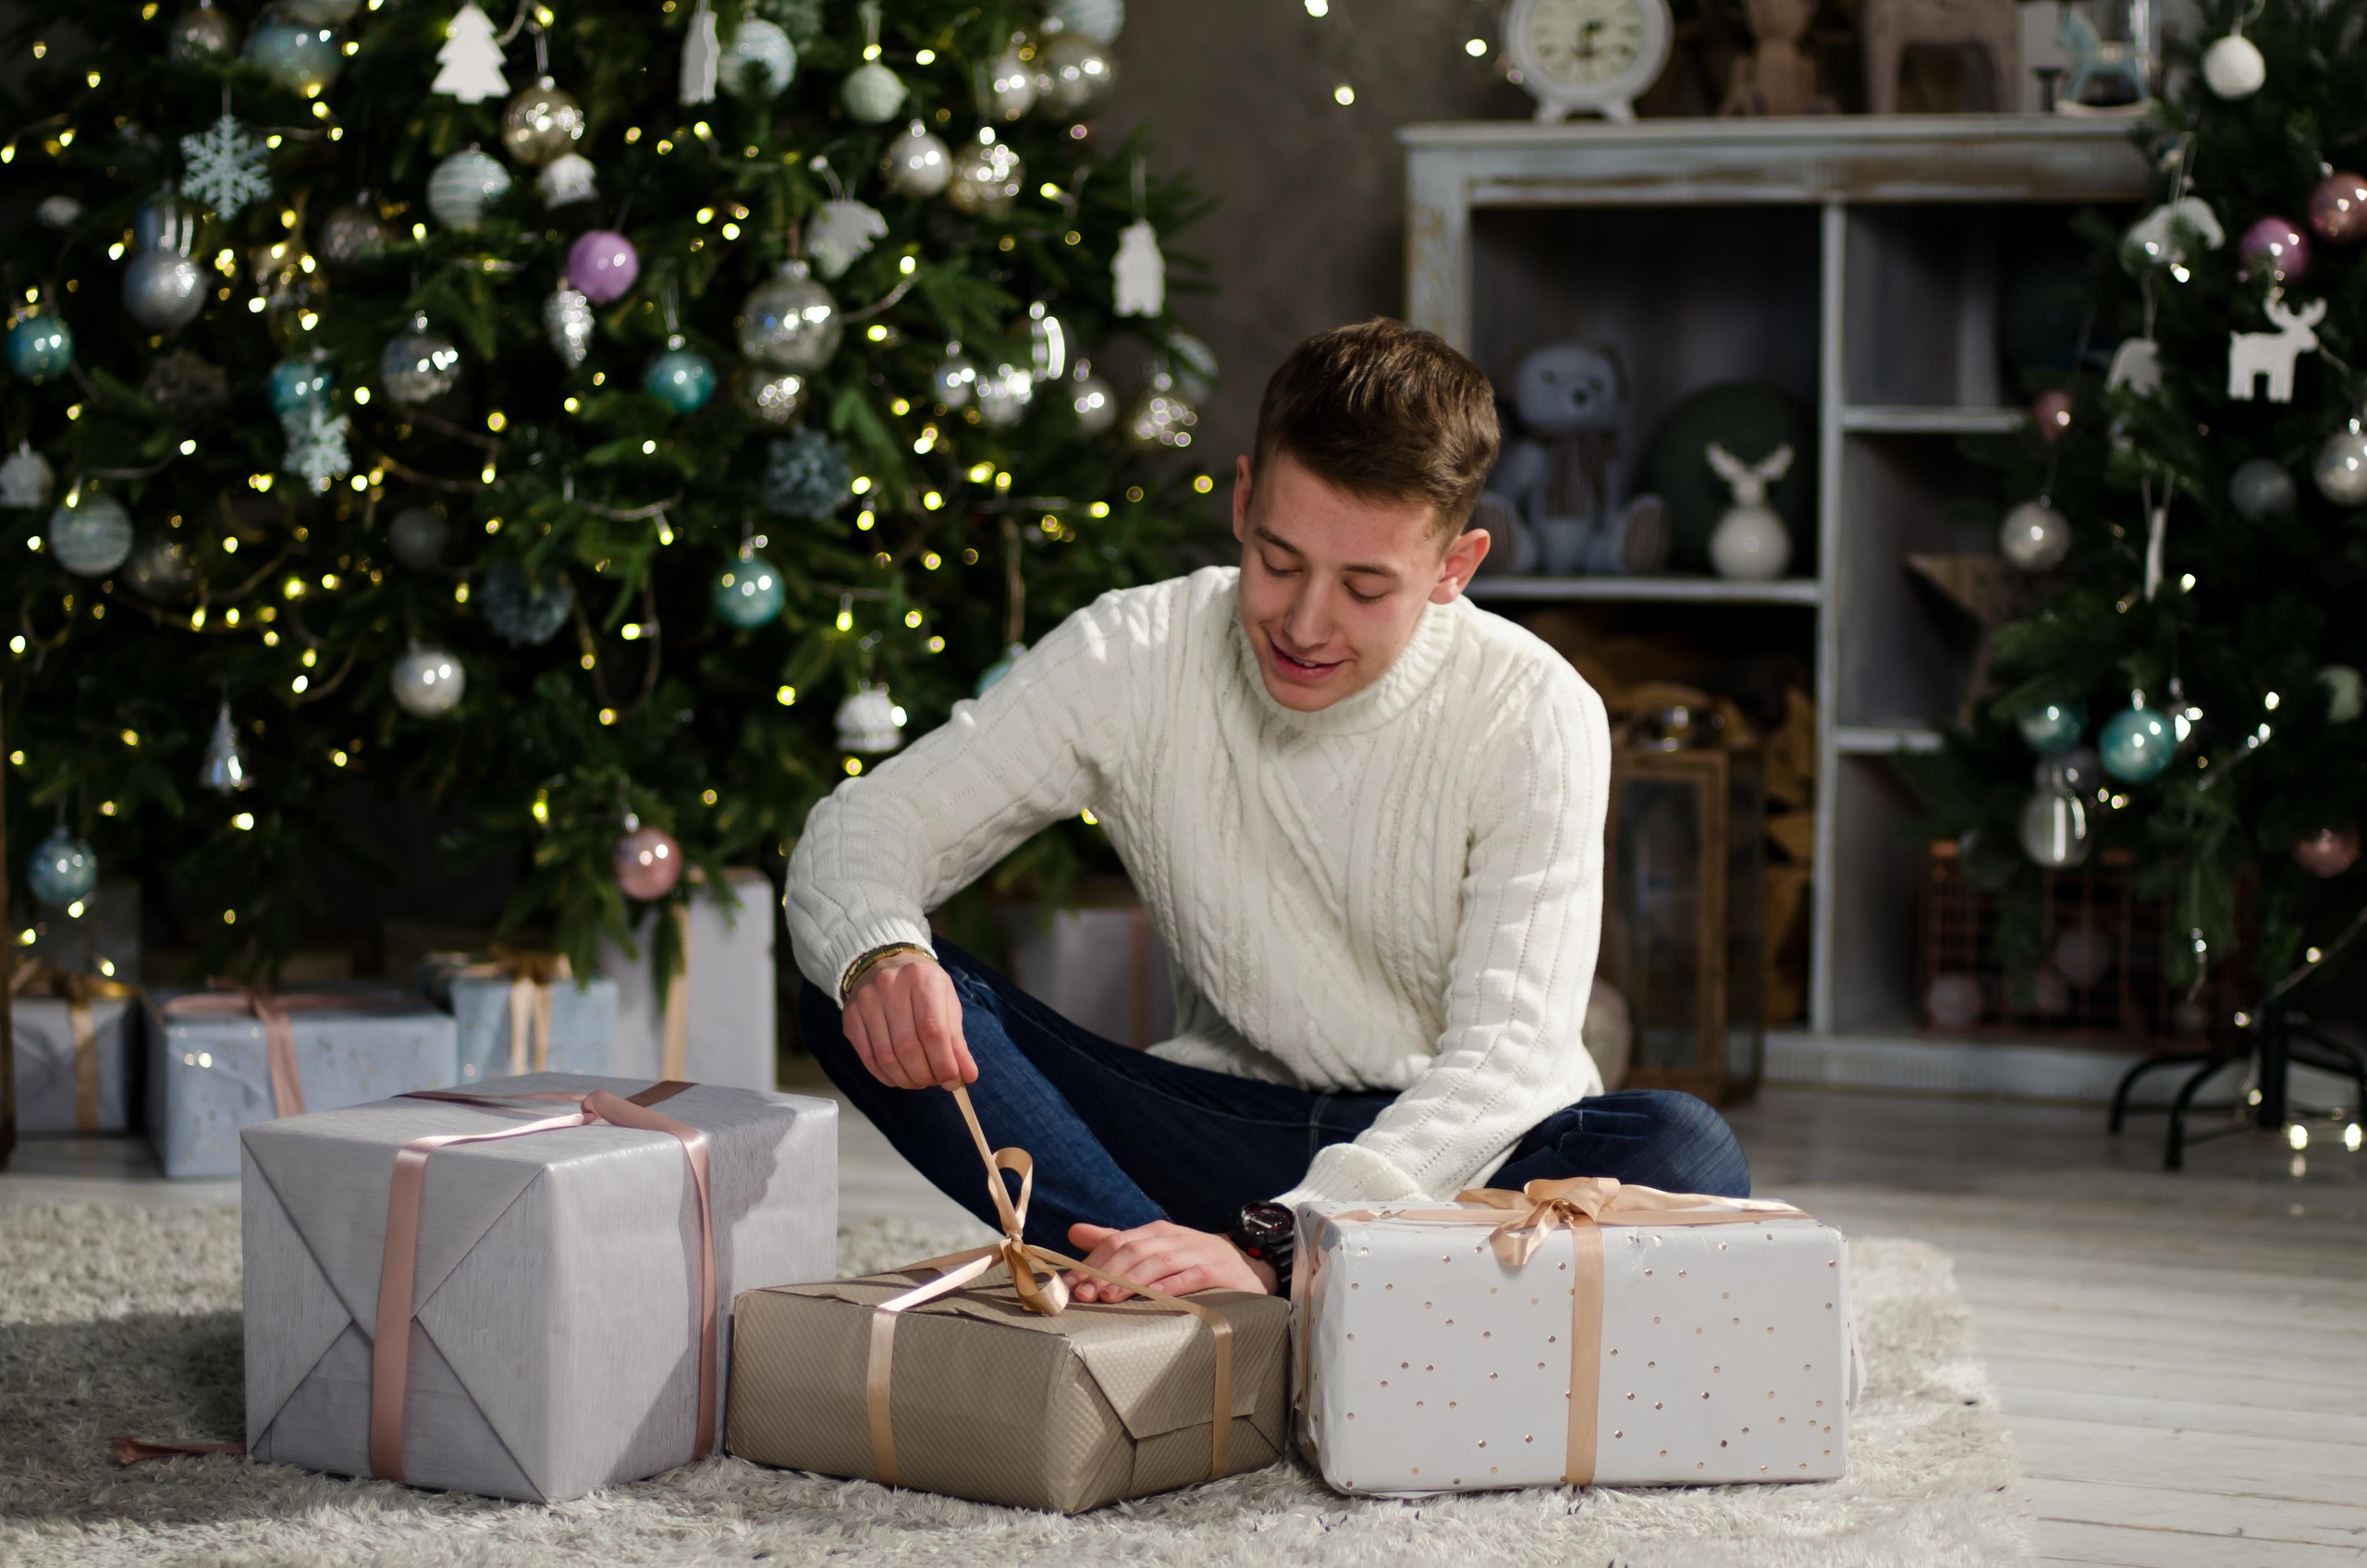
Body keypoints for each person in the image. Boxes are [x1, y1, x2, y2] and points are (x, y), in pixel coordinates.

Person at [787, 318, 1749, 1305]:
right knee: (854, 970)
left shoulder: (1533, 709)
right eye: (1279, 560)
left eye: (1365, 587)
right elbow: (866, 829)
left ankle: (1233, 1292)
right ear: (1245, 501)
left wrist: (1287, 1240)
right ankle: (1193, 1297)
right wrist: (884, 958)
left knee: (1679, 1147)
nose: (1303, 624)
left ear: (1454, 568)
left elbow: (1506, 1062)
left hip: (1455, 1156)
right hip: (1214, 1134)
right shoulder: (1136, 649)